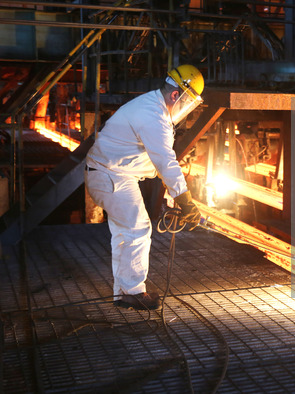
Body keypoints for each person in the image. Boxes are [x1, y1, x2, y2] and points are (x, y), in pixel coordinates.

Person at [85, 64, 204, 310]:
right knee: (137, 229)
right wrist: (185, 201)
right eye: (187, 102)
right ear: (176, 95)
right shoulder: (154, 115)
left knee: (125, 234)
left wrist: (174, 192)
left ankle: (124, 292)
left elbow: (158, 161)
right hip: (111, 176)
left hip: (111, 175)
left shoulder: (152, 106)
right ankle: (132, 292)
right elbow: (165, 161)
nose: (186, 109)